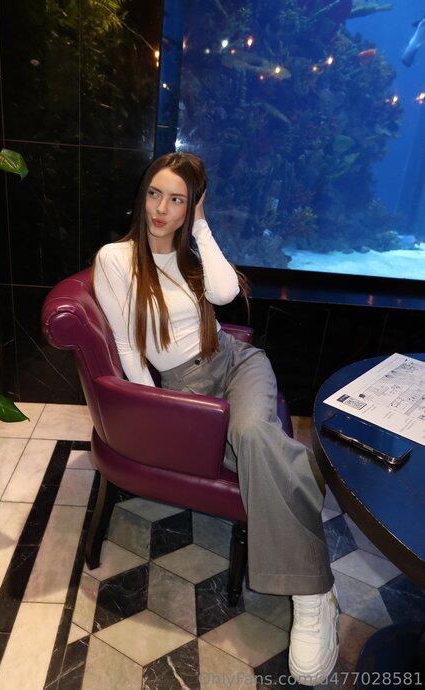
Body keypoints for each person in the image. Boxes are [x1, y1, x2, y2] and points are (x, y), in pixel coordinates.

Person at [93, 152, 338, 685]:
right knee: (263, 454)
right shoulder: (115, 258)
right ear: (142, 193)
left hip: (235, 360)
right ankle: (315, 559)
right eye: (154, 193)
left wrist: (201, 227)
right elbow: (130, 349)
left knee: (252, 435)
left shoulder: (191, 253)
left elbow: (225, 294)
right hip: (187, 387)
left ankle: (312, 596)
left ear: (191, 207)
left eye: (177, 200)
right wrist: (155, 416)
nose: (161, 209)